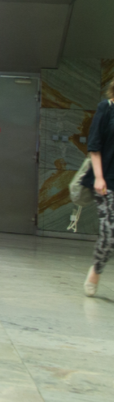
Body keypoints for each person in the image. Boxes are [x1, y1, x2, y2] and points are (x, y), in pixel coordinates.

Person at [83, 85, 114, 297]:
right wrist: (99, 176)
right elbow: (94, 144)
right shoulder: (106, 109)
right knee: (110, 235)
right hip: (107, 181)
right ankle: (96, 270)